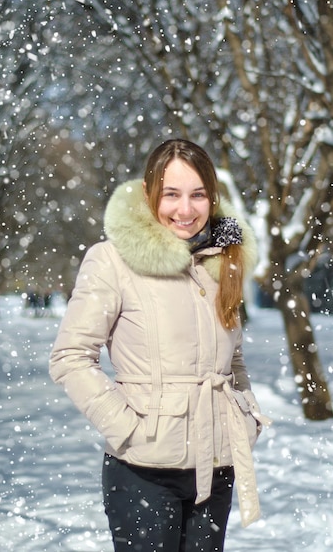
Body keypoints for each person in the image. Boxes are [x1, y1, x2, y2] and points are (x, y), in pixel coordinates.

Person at [49, 139, 270, 552]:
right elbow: (70, 358)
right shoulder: (112, 261)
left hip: (216, 466)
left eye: (198, 195)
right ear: (151, 195)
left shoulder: (224, 259)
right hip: (144, 470)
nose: (185, 210)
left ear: (212, 198)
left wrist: (245, 414)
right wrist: (128, 429)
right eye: (172, 194)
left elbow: (233, 357)